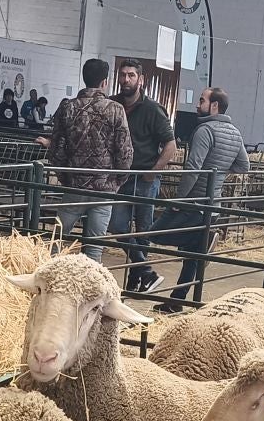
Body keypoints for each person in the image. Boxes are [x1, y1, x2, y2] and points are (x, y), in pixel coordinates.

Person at [153, 87, 250, 313]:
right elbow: (244, 166)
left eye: (201, 100)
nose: (197, 105)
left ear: (214, 106)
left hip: (194, 202)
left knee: (153, 233)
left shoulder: (205, 130)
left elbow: (193, 167)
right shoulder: (235, 133)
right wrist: (219, 171)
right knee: (192, 258)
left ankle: (199, 241)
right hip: (212, 204)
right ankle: (176, 301)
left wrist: (178, 200)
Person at [45, 58, 133, 261]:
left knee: (55, 242)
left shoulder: (68, 108)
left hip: (74, 185)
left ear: (84, 78)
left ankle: (48, 276)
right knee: (94, 249)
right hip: (104, 189)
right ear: (105, 82)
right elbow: (125, 152)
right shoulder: (116, 110)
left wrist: (65, 176)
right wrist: (117, 181)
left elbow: (56, 149)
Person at [111, 61, 177, 294]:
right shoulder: (112, 104)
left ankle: (135, 280)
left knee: (143, 231)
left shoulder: (153, 109)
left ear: (141, 79)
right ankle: (146, 271)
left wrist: (154, 171)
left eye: (131, 75)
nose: (126, 79)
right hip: (120, 177)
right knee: (118, 226)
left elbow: (171, 144)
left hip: (144, 178)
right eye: (122, 75)